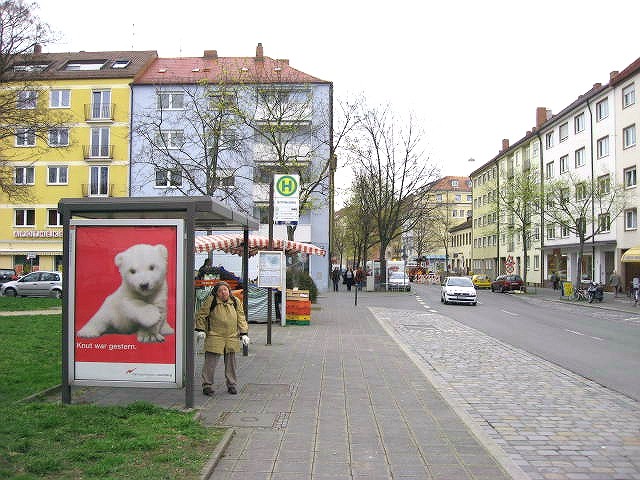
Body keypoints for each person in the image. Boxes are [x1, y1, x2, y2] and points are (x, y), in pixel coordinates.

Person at [195, 281, 249, 396]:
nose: (223, 292)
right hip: (215, 335)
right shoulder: (212, 301)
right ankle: (207, 385)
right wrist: (201, 330)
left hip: (231, 336)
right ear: (216, 293)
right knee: (210, 362)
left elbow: (241, 317)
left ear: (229, 291)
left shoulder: (235, 301)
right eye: (220, 291)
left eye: (225, 290)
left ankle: (232, 385)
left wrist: (244, 333)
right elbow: (201, 315)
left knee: (231, 363)